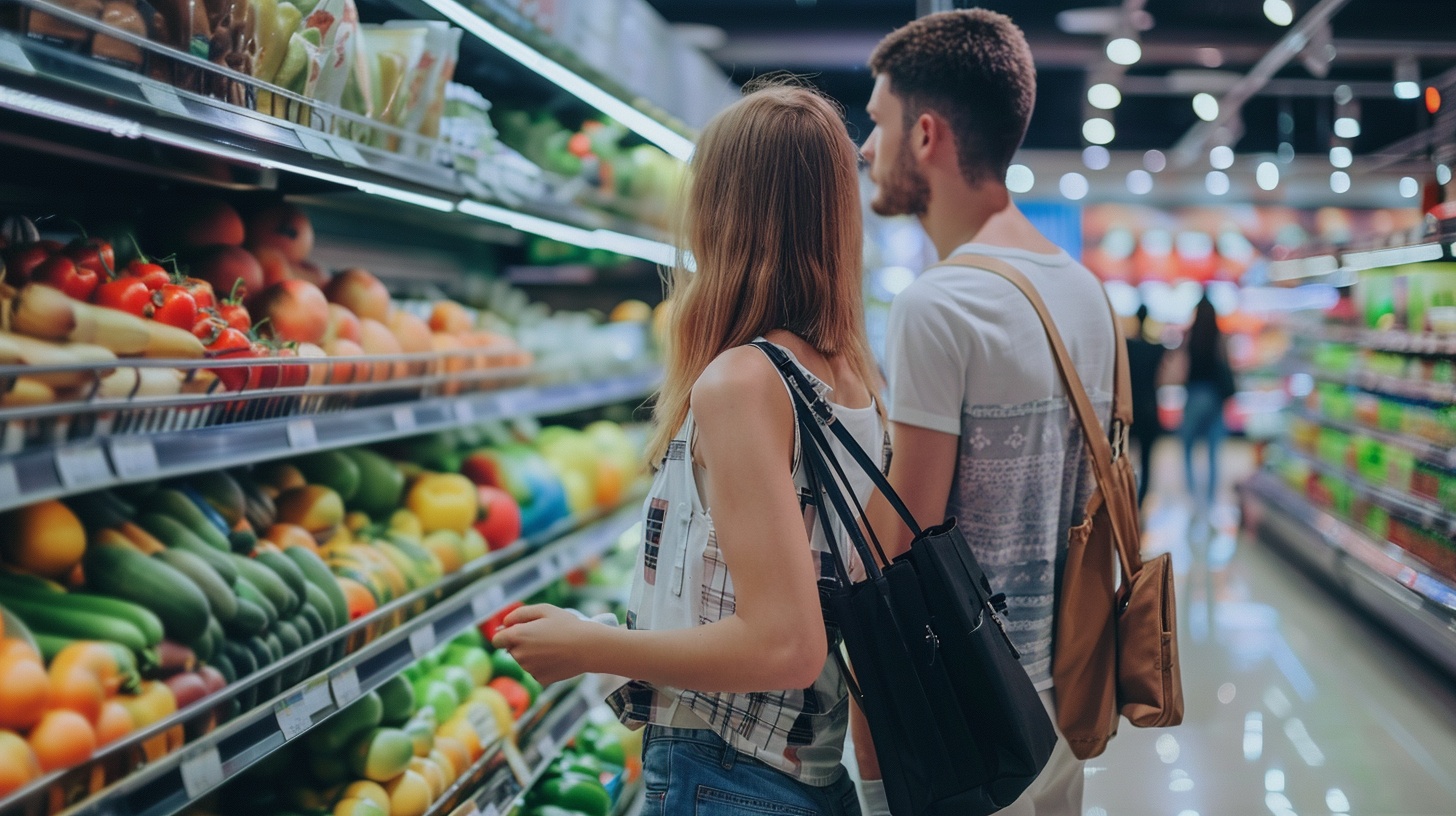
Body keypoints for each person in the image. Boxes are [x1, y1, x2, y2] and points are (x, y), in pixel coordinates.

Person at [490, 81, 881, 816]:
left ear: (722, 210)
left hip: (731, 777)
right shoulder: (850, 376)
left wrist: (590, 649)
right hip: (807, 777)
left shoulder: (741, 381)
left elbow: (783, 646)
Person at [853, 9, 1118, 815]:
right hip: (1066, 702)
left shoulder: (942, 303)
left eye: (878, 122)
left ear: (926, 135)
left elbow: (903, 539)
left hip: (972, 727)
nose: (866, 149)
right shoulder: (1083, 289)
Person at [1179, 294, 1233, 512]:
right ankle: (1210, 498)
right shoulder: (1219, 336)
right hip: (1214, 395)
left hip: (1194, 393)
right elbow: (1225, 363)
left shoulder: (1190, 335)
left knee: (1187, 446)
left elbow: (1183, 365)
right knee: (1213, 450)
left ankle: (1192, 494)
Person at [1126, 304, 1166, 507]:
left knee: (1124, 458)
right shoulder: (1156, 349)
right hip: (1149, 409)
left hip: (1130, 410)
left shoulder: (1128, 346)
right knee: (1147, 460)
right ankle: (1140, 502)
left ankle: (1126, 497)